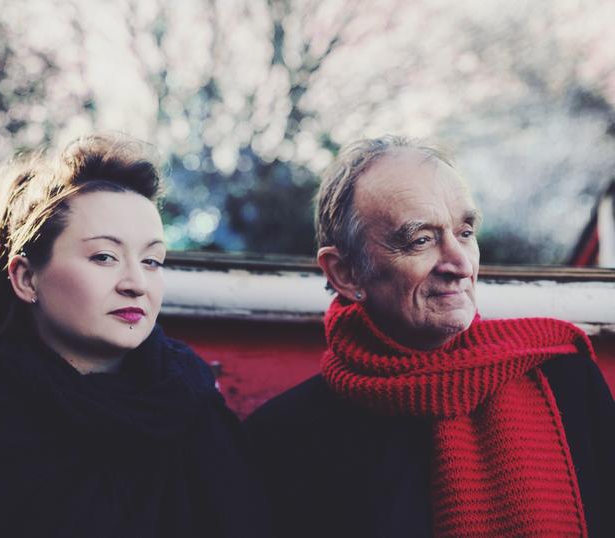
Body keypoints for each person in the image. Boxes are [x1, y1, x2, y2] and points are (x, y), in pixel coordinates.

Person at [0, 134, 270, 538]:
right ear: (27, 278)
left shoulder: (197, 415)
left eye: (153, 261)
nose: (136, 283)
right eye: (104, 256)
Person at [246, 135, 615, 538]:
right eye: (421, 240)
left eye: (466, 232)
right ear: (345, 273)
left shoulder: (564, 381)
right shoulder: (283, 439)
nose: (460, 263)